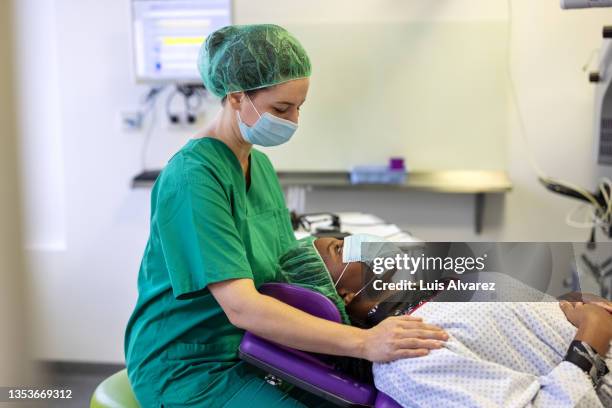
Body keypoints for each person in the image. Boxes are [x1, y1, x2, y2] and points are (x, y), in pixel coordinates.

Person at [124, 25, 448, 408]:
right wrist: (364, 343)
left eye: (299, 107)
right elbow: (242, 306)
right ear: (236, 95)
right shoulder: (193, 178)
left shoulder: (257, 166)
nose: (293, 121)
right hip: (191, 365)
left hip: (259, 347)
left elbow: (287, 268)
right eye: (281, 108)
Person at [279, 236, 612, 407]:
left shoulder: (435, 296)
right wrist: (591, 338)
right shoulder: (407, 357)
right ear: (344, 295)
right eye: (340, 248)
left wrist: (566, 308)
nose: (357, 240)